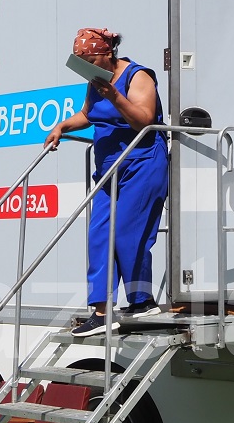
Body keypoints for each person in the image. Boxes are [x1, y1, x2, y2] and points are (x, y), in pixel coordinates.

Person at [44, 27, 167, 336]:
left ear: (107, 54)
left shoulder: (137, 76)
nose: (88, 68)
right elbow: (88, 114)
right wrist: (63, 125)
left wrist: (115, 95)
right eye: (81, 62)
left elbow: (145, 118)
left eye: (91, 60)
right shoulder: (94, 81)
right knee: (99, 233)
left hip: (142, 162)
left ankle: (141, 299)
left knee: (127, 233)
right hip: (109, 167)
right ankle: (101, 310)